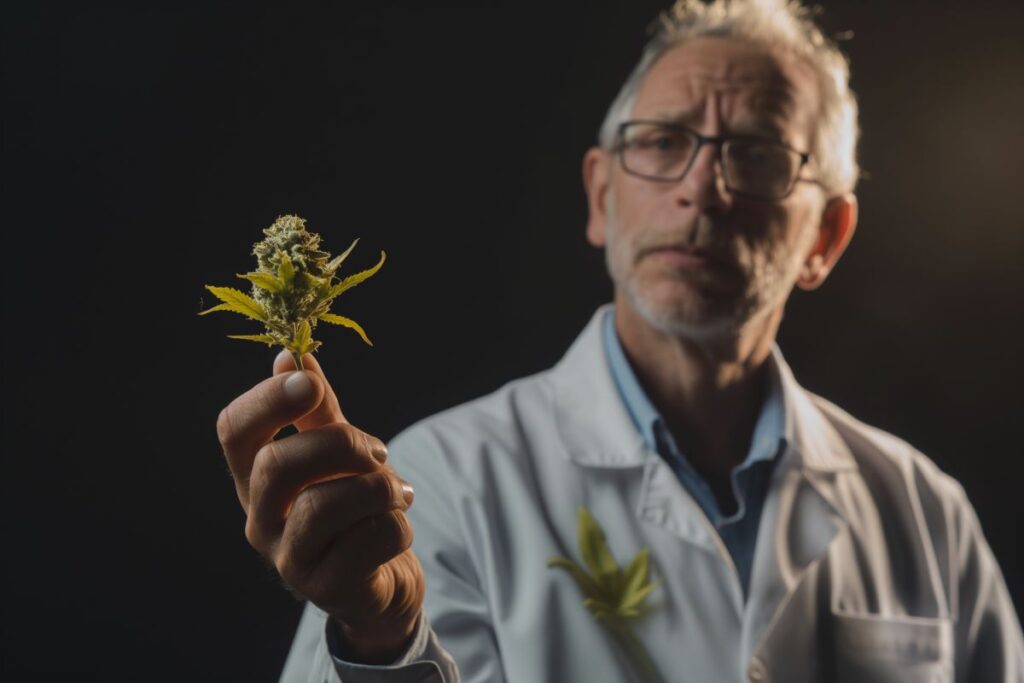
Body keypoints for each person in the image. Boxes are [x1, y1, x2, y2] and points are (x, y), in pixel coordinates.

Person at [216, 1, 1024, 680]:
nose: (701, 189)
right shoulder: (440, 483)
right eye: (663, 142)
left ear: (827, 236)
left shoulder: (924, 514)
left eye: (758, 154)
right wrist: (381, 638)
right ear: (601, 197)